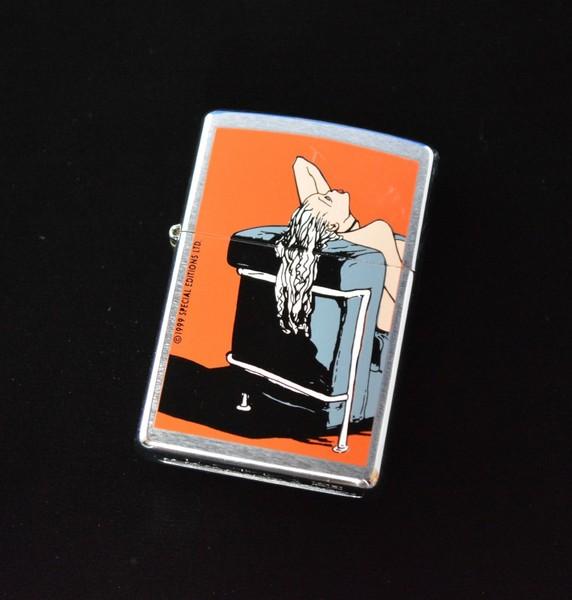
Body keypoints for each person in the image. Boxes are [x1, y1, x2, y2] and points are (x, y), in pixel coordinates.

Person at [274, 156, 404, 336]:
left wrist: (323, 199)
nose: (332, 192)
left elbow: (301, 165)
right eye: (328, 198)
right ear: (333, 226)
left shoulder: (326, 234)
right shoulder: (377, 232)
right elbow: (402, 290)